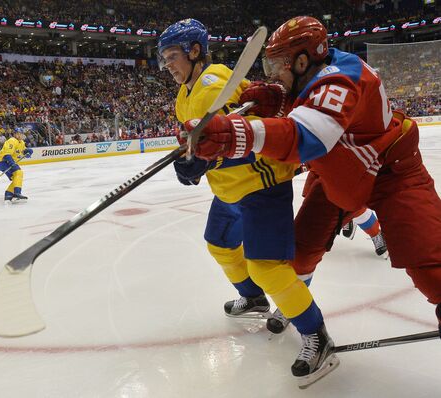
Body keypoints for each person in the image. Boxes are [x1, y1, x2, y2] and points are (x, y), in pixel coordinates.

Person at [183, 15, 441, 369]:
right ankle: (303, 317)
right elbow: (304, 104)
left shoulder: (342, 77)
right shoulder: (314, 74)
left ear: (302, 61)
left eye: (278, 66)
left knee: (431, 263)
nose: (272, 74)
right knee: (299, 255)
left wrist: (234, 135)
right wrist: (277, 96)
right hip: (339, 176)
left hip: (392, 173)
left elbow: (307, 137)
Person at [159, 18, 338, 387]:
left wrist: (207, 158)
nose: (168, 65)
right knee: (220, 245)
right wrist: (194, 159)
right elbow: (204, 139)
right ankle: (254, 299)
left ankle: (317, 336)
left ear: (195, 51)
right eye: (164, 59)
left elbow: (256, 137)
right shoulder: (185, 92)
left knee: (267, 267)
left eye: (173, 56)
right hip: (228, 189)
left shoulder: (214, 85)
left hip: (260, 184)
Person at [0, 131, 33, 202]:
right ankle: (17, 193)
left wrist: (28, 151)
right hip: (3, 161)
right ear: (15, 134)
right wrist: (11, 163)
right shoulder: (11, 141)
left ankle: (8, 195)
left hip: (9, 162)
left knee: (16, 178)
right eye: (18, 133)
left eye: (21, 133)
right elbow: (7, 154)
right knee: (19, 173)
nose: (20, 135)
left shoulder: (21, 142)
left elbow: (23, 151)